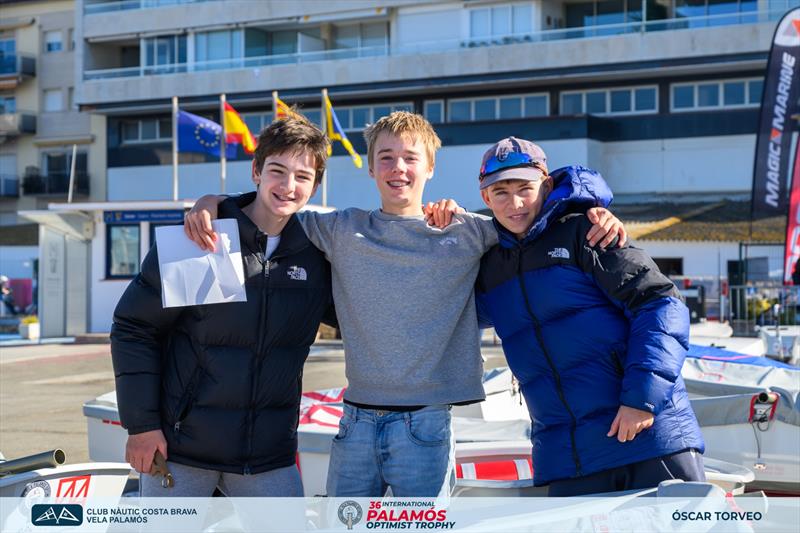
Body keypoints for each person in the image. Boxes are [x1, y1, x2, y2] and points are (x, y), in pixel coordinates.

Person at [185, 112, 625, 498]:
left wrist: (593, 208)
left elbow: (536, 217)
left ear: (431, 168)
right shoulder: (339, 229)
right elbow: (275, 207)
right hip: (354, 420)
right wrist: (214, 202)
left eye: (411, 158)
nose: (399, 168)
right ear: (372, 170)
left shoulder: (468, 231)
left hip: (427, 426)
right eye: (387, 158)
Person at [110, 115, 335, 496]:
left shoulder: (317, 255)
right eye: (277, 171)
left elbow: (362, 316)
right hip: (182, 453)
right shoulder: (204, 237)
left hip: (268, 458)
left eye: (302, 176)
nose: (288, 186)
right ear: (256, 171)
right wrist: (141, 426)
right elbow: (136, 328)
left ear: (314, 186)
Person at [472, 137, 705, 496]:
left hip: (646, 438)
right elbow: (451, 314)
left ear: (546, 185)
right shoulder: (490, 266)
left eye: (525, 188)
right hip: (567, 457)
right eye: (500, 192)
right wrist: (438, 230)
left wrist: (641, 399)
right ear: (485, 197)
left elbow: (661, 304)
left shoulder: (588, 232)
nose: (514, 203)